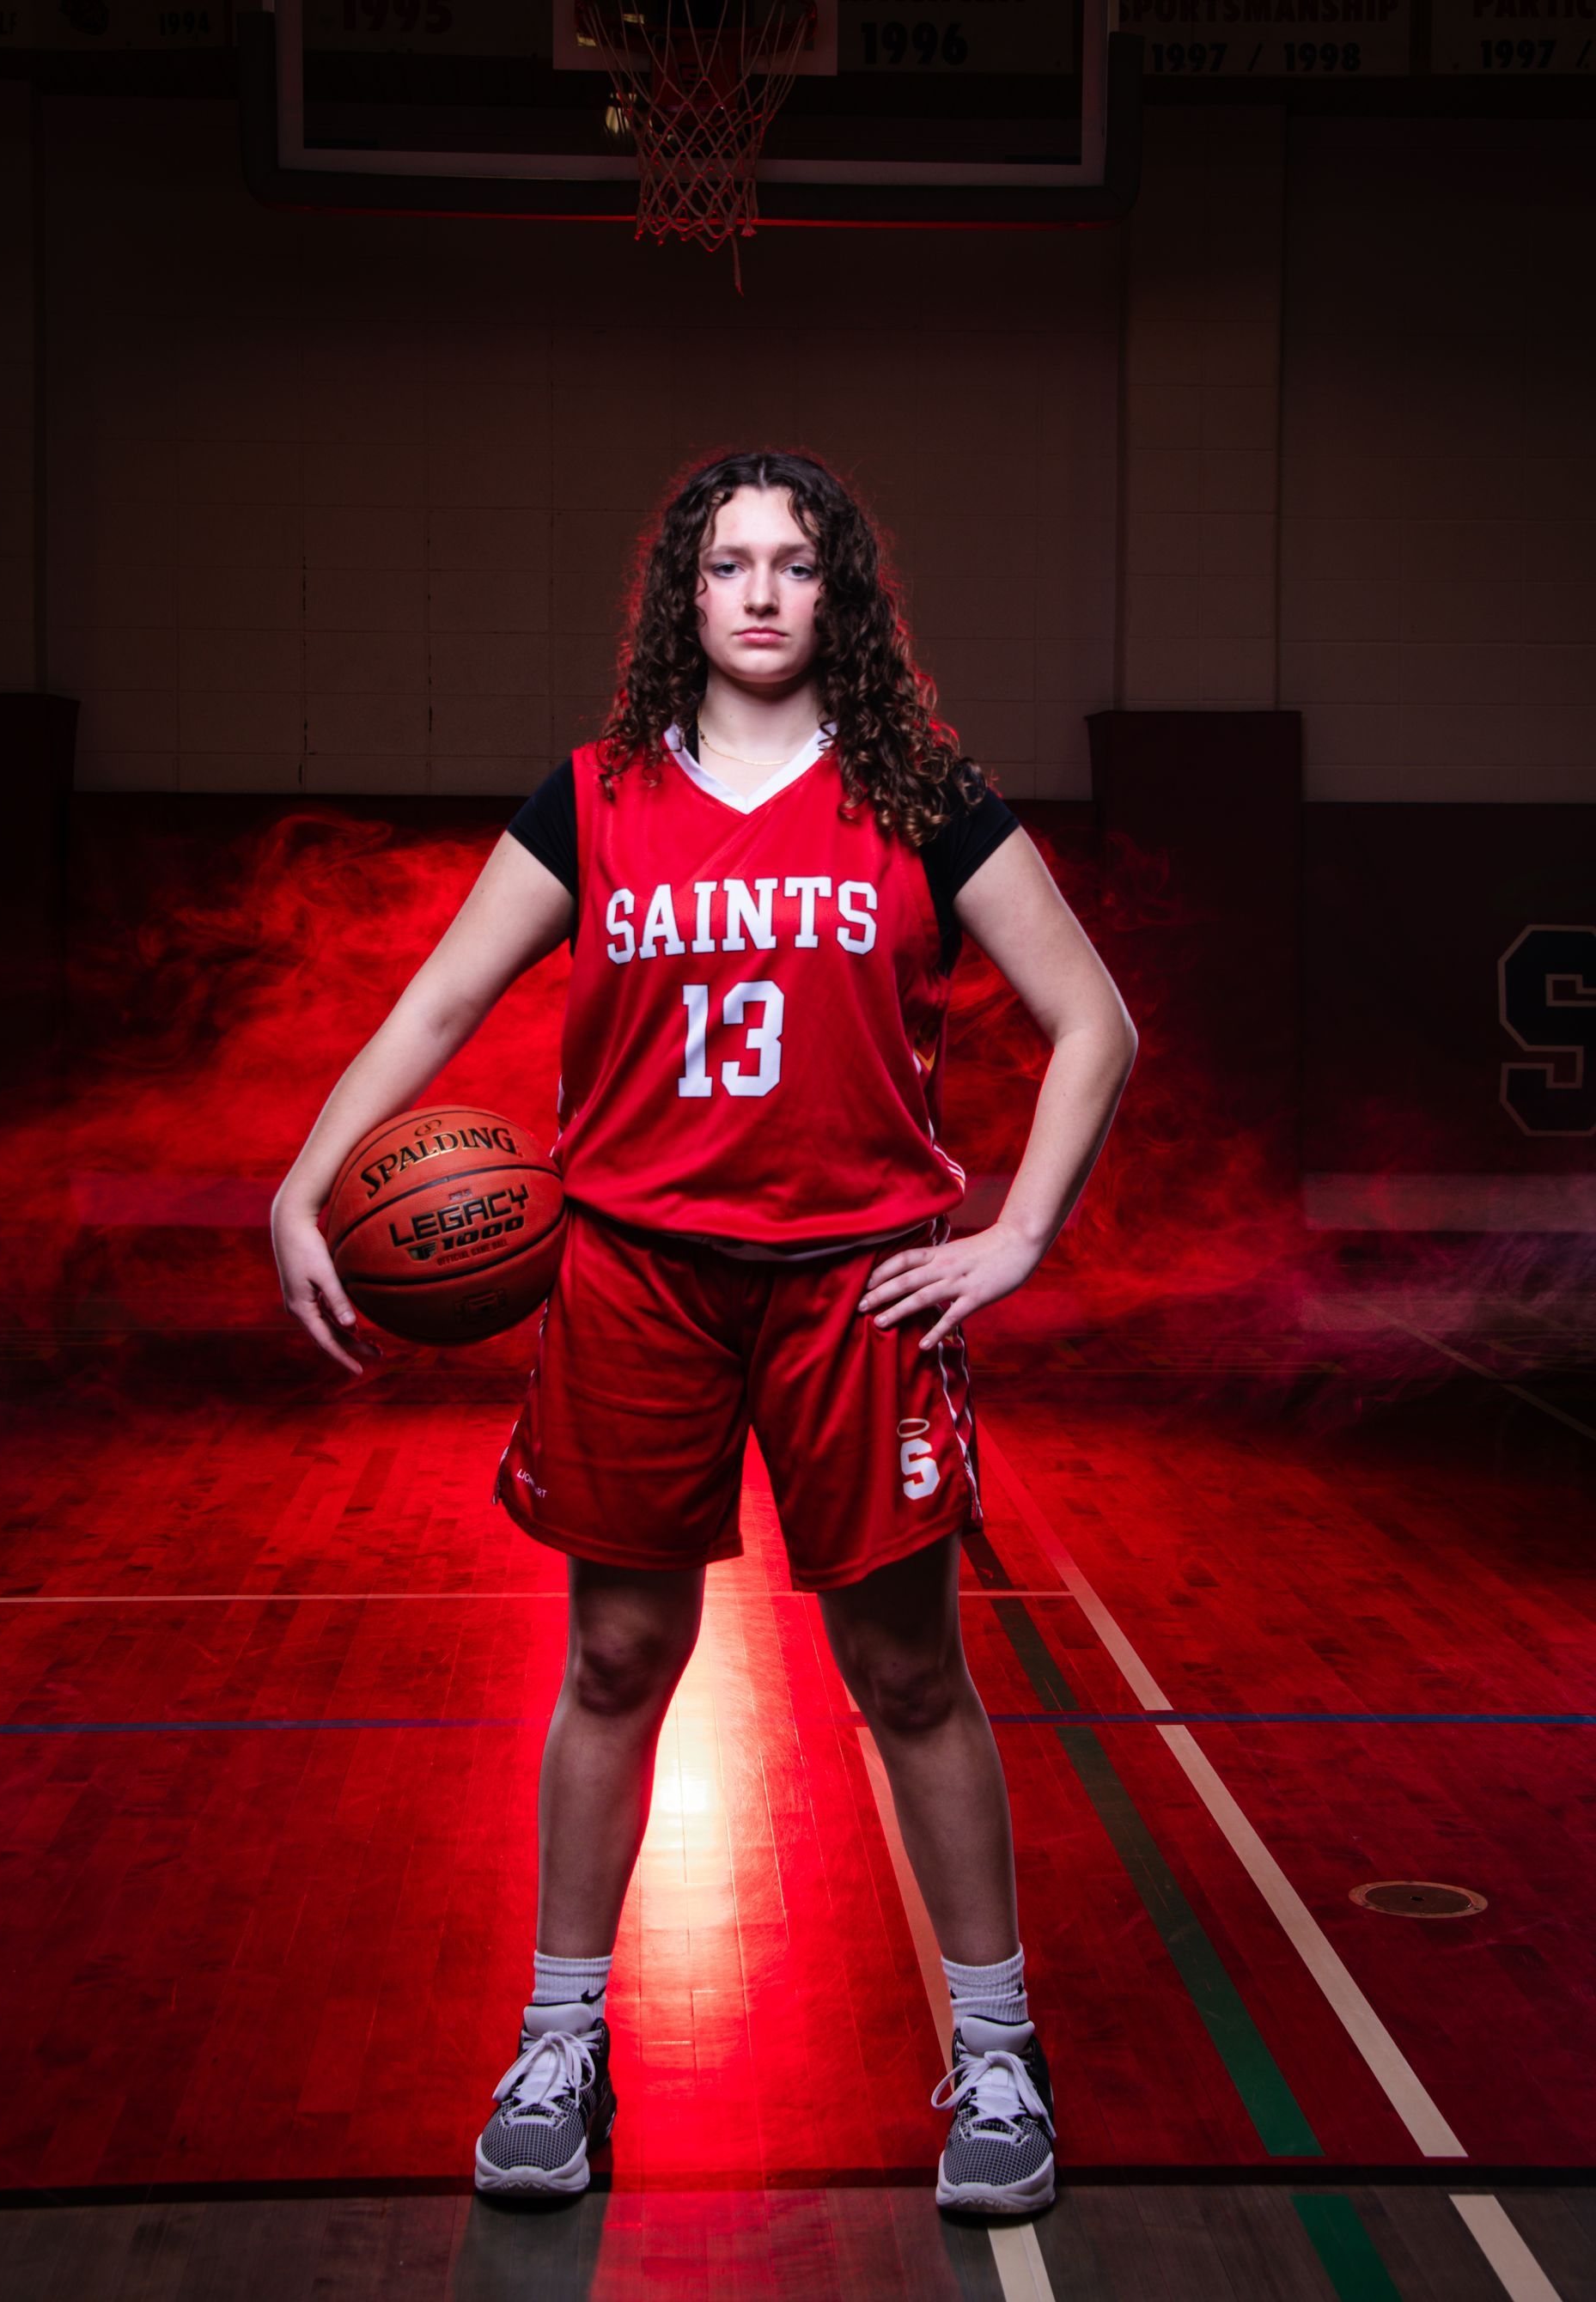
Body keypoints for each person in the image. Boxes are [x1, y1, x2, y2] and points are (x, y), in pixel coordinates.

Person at [271, 448, 1137, 2220]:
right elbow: (442, 994)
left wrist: (1020, 1231)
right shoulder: (594, 797)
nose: (758, 591)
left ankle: (995, 2052)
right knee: (612, 1659)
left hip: (857, 1284)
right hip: (637, 1278)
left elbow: (1092, 1017)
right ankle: (560, 2044)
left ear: (844, 599)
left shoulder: (921, 793)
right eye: (727, 562)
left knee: (909, 1673)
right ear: (683, 592)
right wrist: (305, 1177)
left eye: (795, 564)